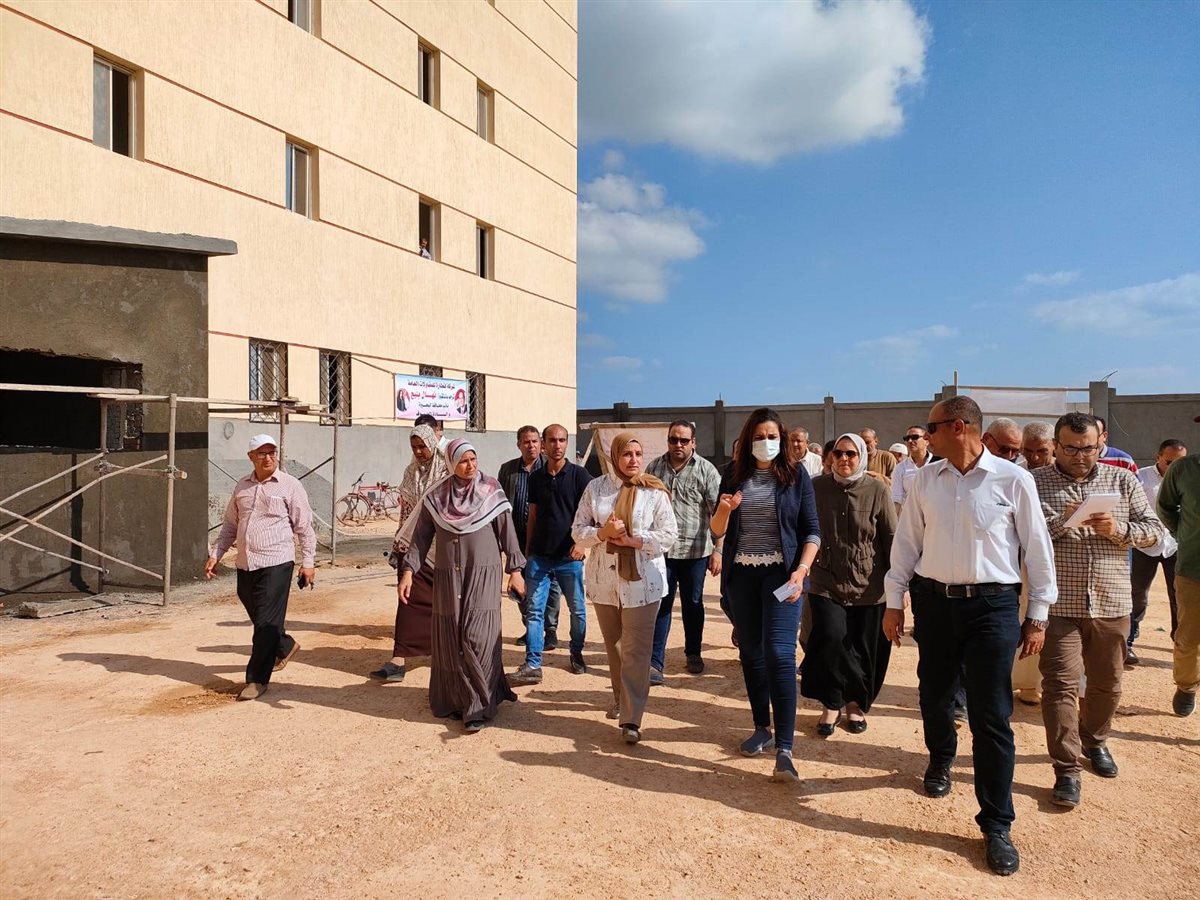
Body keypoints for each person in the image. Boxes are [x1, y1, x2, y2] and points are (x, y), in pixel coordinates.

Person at [883, 395, 1057, 877]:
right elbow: (907, 543)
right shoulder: (924, 480)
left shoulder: (1013, 480)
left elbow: (1037, 549)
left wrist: (1038, 615)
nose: (925, 435)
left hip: (992, 607)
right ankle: (941, 758)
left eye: (931, 427)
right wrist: (894, 599)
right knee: (935, 696)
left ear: (958, 427)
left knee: (991, 714)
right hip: (935, 603)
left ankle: (996, 824)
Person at [1032, 412, 1162, 808]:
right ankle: (1066, 768)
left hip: (1111, 600)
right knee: (1059, 685)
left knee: (1108, 683)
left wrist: (1117, 530)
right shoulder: (1034, 483)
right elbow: (1021, 535)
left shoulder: (1122, 480)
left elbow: (1154, 530)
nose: (1080, 456)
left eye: (1088, 448)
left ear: (1100, 443)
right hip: (1059, 603)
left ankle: (1096, 740)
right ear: (1055, 446)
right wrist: (1065, 522)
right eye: (1070, 448)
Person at [711, 408, 820, 783]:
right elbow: (717, 529)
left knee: (779, 653)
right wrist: (724, 510)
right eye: (759, 436)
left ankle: (785, 749)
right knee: (752, 652)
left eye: (772, 436)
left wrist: (801, 569)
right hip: (742, 575)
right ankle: (762, 727)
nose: (766, 442)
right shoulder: (733, 474)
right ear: (748, 440)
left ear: (783, 439)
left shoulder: (796, 475)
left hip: (783, 574)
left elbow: (812, 530)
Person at [400, 439, 525, 732]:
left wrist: (516, 570)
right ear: (451, 463)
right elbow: (420, 537)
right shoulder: (437, 496)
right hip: (448, 576)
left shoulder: (491, 490)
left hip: (483, 573)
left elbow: (508, 533)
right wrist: (408, 571)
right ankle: (458, 701)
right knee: (452, 635)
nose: (470, 466)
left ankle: (479, 706)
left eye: (473, 459)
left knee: (476, 634)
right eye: (463, 461)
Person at [572, 433, 678, 743]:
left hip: (644, 583)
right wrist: (602, 533)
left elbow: (669, 534)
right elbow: (577, 532)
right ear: (614, 456)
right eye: (627, 454)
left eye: (638, 454)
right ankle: (621, 700)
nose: (633, 460)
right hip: (604, 581)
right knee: (615, 646)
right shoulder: (596, 488)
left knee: (637, 651)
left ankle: (632, 719)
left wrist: (635, 540)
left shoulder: (653, 491)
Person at [206, 434, 316, 701]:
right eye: (261, 453)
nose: (268, 458)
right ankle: (285, 645)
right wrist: (216, 554)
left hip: (277, 560)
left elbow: (304, 527)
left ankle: (257, 679)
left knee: (266, 621)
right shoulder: (242, 486)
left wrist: (308, 562)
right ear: (251, 457)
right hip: (246, 562)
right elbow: (230, 525)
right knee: (258, 613)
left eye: (271, 453)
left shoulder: (290, 485)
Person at [801, 433, 896, 736]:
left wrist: (899, 586)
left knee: (862, 648)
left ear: (862, 457)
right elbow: (803, 527)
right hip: (825, 581)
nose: (843, 459)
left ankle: (855, 704)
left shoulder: (878, 490)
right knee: (830, 638)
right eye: (838, 453)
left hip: (869, 585)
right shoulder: (815, 487)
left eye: (851, 454)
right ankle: (832, 703)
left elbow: (891, 538)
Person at [509, 424, 592, 685]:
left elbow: (592, 513)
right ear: (544, 444)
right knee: (534, 611)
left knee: (577, 610)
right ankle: (533, 664)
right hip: (539, 558)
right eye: (552, 440)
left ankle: (576, 653)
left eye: (562, 440)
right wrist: (527, 551)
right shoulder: (536, 478)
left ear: (567, 443)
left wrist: (582, 545)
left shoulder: (579, 476)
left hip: (570, 558)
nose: (557, 445)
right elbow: (532, 515)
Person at [373, 424, 448, 683]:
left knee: (447, 604)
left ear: (432, 444)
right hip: (415, 544)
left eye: (422, 446)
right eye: (414, 447)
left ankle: (449, 654)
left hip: (444, 546)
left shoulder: (447, 469)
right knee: (407, 601)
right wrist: (400, 541)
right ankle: (398, 660)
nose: (418, 451)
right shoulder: (410, 472)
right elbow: (406, 511)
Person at [647, 420, 722, 680]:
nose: (678, 444)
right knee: (661, 605)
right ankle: (655, 662)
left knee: (693, 604)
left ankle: (693, 653)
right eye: (673, 439)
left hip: (696, 553)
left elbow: (719, 513)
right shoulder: (654, 468)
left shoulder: (707, 471)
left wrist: (718, 550)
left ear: (694, 443)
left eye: (684, 440)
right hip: (663, 553)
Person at [497, 426, 562, 650]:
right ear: (518, 444)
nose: (531, 446)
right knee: (520, 584)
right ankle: (531, 628)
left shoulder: (551, 467)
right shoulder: (507, 470)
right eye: (526, 442)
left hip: (545, 537)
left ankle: (550, 630)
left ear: (541, 444)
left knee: (551, 584)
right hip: (517, 537)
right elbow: (500, 503)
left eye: (535, 441)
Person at [1130, 439, 1187, 664]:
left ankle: (1181, 645)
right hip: (1144, 545)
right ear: (1158, 458)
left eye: (1180, 462)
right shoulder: (1141, 478)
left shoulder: (1189, 479)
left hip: (1175, 545)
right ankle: (1128, 642)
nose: (1174, 467)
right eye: (1169, 462)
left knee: (1179, 596)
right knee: (1137, 595)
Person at [1157, 420, 1200, 718]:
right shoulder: (1184, 469)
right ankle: (1187, 685)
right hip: (1194, 568)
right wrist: (1184, 536)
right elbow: (1165, 507)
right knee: (1189, 636)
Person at [892, 425, 934, 514]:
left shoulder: (939, 463)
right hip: (912, 517)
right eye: (907, 438)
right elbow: (897, 500)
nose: (910, 441)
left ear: (927, 441)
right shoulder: (900, 468)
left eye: (915, 437)